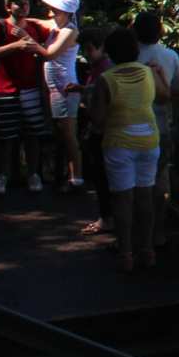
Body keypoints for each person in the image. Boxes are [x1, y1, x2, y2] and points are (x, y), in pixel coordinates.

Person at [88, 25, 169, 270]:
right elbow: (165, 96)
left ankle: (126, 254)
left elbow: (97, 119)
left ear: (110, 52)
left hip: (119, 143)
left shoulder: (106, 79)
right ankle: (147, 251)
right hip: (149, 141)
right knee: (145, 196)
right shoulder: (148, 72)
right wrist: (159, 73)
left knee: (122, 199)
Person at [0, 0, 51, 194]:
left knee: (33, 135)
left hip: (31, 88)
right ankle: (1, 175)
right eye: (18, 3)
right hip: (4, 88)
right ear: (8, 7)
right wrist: (16, 46)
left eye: (26, 2)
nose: (23, 6)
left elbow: (54, 38)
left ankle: (33, 174)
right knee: (5, 136)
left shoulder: (35, 28)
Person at [132, 11, 179, 246]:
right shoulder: (168, 56)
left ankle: (133, 235)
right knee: (158, 182)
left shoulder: (127, 55)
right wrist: (165, 91)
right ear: (160, 32)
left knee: (131, 183)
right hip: (158, 127)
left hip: (126, 128)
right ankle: (156, 233)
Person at [27, 0, 83, 192]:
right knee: (60, 133)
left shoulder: (70, 31)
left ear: (67, 13)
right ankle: (63, 175)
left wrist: (29, 42)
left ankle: (76, 177)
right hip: (54, 88)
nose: (51, 13)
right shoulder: (57, 25)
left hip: (65, 87)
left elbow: (50, 54)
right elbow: (38, 21)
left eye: (56, 11)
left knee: (68, 135)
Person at [75, 26, 113, 235]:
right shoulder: (99, 67)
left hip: (102, 130)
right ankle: (106, 217)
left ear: (102, 48)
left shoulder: (105, 69)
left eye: (90, 49)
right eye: (84, 49)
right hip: (99, 129)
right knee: (101, 177)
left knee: (103, 178)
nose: (87, 54)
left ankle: (107, 218)